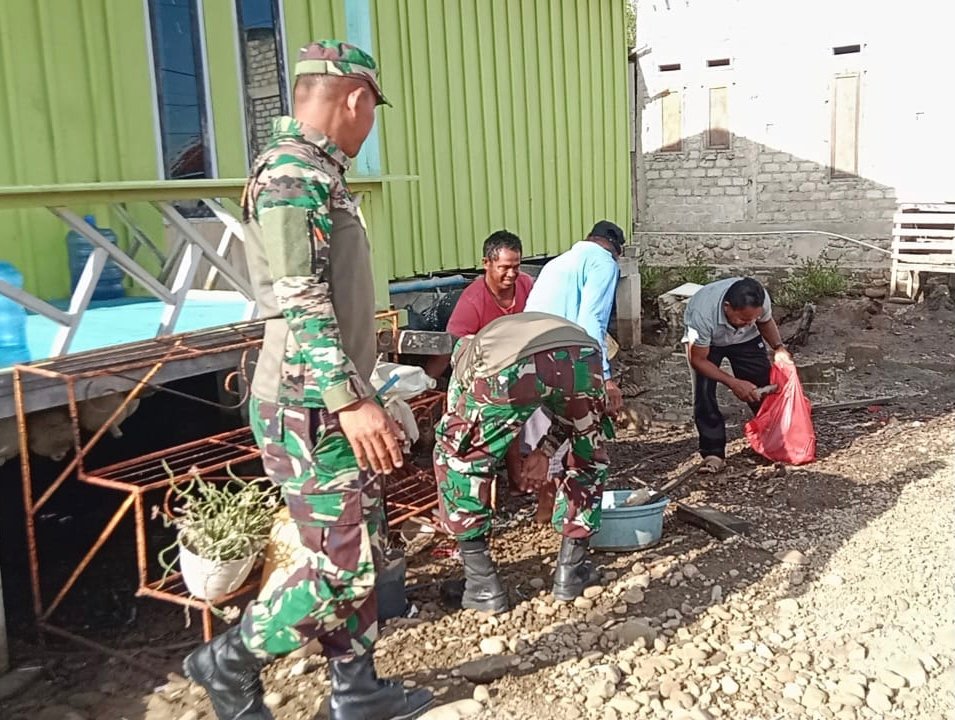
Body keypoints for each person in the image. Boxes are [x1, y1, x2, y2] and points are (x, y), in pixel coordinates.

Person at [182, 40, 433, 720]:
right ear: (354, 99)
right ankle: (226, 663)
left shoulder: (319, 170)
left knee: (363, 544)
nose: (370, 121)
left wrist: (368, 386)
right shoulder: (294, 174)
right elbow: (302, 298)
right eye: (372, 108)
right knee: (335, 569)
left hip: (334, 395)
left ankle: (356, 690)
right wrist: (351, 400)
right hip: (309, 405)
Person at [434, 312, 614, 613]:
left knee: (457, 459)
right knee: (587, 456)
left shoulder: (466, 360)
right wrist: (545, 451)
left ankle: (481, 585)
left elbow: (466, 441)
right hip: (583, 355)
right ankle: (572, 572)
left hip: (513, 365)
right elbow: (572, 418)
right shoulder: (502, 331)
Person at [521, 220, 626, 520]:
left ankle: (544, 509)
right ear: (615, 250)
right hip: (563, 356)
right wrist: (604, 378)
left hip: (529, 355)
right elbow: (592, 320)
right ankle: (572, 518)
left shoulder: (558, 262)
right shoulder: (604, 263)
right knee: (581, 435)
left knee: (544, 432)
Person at [683, 276, 793, 473]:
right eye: (743, 319)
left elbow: (765, 322)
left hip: (747, 341)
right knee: (704, 393)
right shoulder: (701, 313)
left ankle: (773, 440)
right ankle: (713, 452)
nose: (749, 322)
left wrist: (779, 348)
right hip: (709, 345)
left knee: (763, 385)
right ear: (727, 307)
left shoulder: (761, 300)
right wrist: (733, 382)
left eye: (753, 319)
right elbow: (698, 360)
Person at [424, 230, 534, 380]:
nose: (511, 273)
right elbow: (452, 347)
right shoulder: (472, 301)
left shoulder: (526, 283)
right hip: (488, 370)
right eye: (504, 267)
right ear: (486, 263)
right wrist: (426, 382)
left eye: (516, 267)